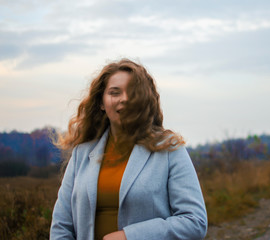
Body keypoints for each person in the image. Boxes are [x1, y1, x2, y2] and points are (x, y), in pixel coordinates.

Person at [50, 59, 208, 240]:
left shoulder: (169, 149)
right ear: (102, 102)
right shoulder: (82, 154)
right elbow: (61, 225)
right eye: (114, 92)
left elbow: (195, 221)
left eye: (133, 93)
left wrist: (129, 236)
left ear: (144, 101)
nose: (124, 99)